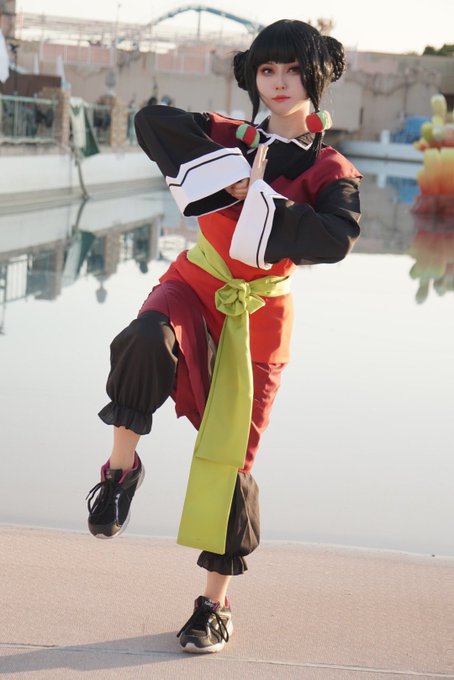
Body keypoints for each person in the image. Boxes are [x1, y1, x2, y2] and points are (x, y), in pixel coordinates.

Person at [86, 19, 362, 654]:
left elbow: (335, 237)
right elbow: (152, 122)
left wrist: (259, 197)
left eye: (293, 70)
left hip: (259, 313)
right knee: (145, 336)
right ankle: (120, 473)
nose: (279, 82)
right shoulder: (228, 135)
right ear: (252, 77)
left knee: (232, 459)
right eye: (267, 70)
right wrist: (224, 172)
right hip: (196, 280)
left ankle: (214, 605)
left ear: (316, 76)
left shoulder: (330, 167)